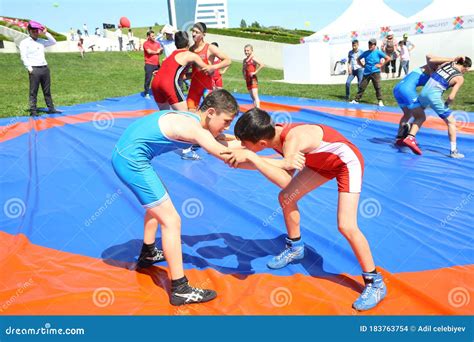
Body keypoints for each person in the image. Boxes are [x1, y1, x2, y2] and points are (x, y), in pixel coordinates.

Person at [225, 109, 387, 311]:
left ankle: (375, 282)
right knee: (286, 198)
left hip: (346, 163)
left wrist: (252, 158)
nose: (242, 146)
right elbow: (274, 165)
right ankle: (296, 247)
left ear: (262, 144)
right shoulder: (270, 135)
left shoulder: (293, 139)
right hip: (319, 163)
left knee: (346, 225)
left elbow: (284, 178)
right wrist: (238, 160)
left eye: (245, 144)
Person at [111, 89, 240, 306]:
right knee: (171, 220)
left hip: (128, 155)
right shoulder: (194, 129)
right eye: (226, 121)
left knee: (160, 203)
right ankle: (180, 289)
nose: (227, 127)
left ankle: (149, 253)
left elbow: (223, 140)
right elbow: (225, 155)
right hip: (131, 162)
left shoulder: (193, 118)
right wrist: (272, 162)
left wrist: (250, 142)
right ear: (210, 112)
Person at [408, 57, 471, 158]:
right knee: (451, 122)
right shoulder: (460, 78)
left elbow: (430, 59)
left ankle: (408, 134)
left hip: (423, 92)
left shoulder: (446, 64)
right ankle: (453, 151)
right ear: (465, 68)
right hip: (434, 96)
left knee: (419, 116)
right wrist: (447, 104)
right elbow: (451, 96)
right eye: (466, 70)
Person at [393, 55, 459, 146]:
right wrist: (452, 59)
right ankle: (410, 138)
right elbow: (429, 56)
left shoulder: (435, 71)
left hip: (397, 88)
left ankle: (399, 138)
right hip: (406, 90)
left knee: (407, 114)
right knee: (421, 117)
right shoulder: (431, 66)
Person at [151, 31, 213, 111]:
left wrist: (192, 74)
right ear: (188, 43)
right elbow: (208, 70)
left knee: (165, 114)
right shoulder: (191, 55)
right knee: (185, 115)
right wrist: (214, 67)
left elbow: (178, 74)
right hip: (168, 83)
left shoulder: (171, 55)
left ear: (175, 44)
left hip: (155, 83)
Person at [19, 21, 61, 116]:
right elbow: (23, 56)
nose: (35, 32)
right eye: (33, 31)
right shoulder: (24, 42)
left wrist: (45, 32)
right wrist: (29, 68)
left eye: (37, 30)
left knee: (47, 90)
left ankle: (51, 108)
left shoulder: (41, 41)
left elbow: (53, 42)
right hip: (34, 69)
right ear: (29, 31)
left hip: (44, 68)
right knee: (33, 91)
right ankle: (33, 111)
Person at [187, 22, 231, 111]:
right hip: (194, 88)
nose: (193, 34)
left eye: (197, 32)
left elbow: (228, 60)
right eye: (193, 31)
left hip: (206, 88)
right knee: (190, 113)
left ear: (203, 34)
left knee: (208, 113)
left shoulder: (210, 48)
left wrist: (213, 67)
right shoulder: (191, 50)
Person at [351, 38, 391, 107]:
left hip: (376, 72)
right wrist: (362, 65)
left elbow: (388, 58)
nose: (370, 46)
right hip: (366, 73)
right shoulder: (366, 53)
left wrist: (381, 65)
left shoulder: (378, 52)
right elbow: (358, 59)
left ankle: (380, 101)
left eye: (371, 45)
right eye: (369, 45)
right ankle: (356, 100)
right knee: (362, 87)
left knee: (377, 87)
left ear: (375, 45)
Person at [242, 44, 264, 108]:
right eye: (245, 50)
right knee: (252, 96)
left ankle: (258, 109)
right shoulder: (245, 60)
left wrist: (255, 72)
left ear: (251, 50)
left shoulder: (253, 58)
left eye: (248, 50)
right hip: (248, 80)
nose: (246, 52)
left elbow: (262, 65)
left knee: (255, 95)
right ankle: (255, 108)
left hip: (253, 79)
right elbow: (243, 69)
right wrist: (244, 75)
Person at [143, 30, 163, 99]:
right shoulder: (146, 43)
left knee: (160, 79)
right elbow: (149, 51)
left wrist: (161, 51)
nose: (154, 37)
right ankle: (146, 93)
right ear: (148, 37)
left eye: (154, 36)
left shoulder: (157, 44)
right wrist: (157, 51)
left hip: (157, 64)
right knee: (148, 79)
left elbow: (159, 53)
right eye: (152, 36)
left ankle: (160, 91)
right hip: (149, 64)